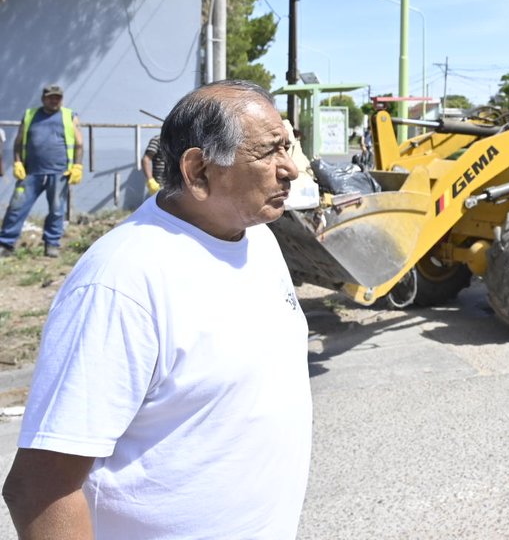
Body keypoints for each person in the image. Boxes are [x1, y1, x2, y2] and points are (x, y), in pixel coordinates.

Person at [3, 80, 312, 540]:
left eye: (287, 146)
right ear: (199, 170)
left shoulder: (258, 238)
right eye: (268, 153)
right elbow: (38, 488)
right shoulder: (122, 281)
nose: (290, 168)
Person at [0, 85, 84, 258]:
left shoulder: (69, 116)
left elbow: (79, 144)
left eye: (58, 98)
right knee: (17, 207)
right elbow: (18, 142)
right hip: (31, 172)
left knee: (56, 209)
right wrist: (17, 163)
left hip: (60, 172)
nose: (54, 101)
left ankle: (52, 244)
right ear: (43, 99)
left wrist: (78, 166)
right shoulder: (30, 115)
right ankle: (6, 244)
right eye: (51, 97)